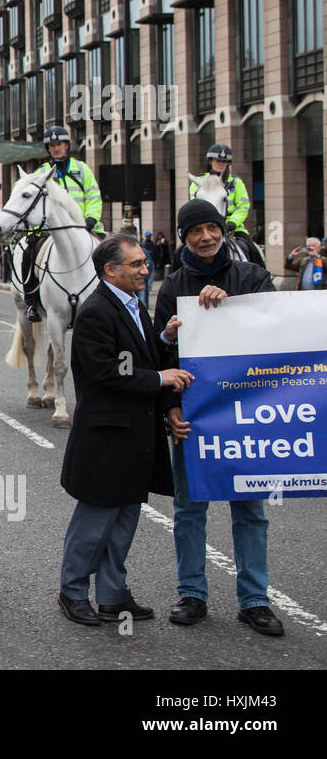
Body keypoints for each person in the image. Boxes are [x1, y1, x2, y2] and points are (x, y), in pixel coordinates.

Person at [153, 199, 284, 636]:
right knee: (190, 510)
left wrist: (232, 309)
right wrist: (170, 409)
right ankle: (192, 594)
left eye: (211, 228)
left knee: (251, 510)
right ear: (183, 237)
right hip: (196, 416)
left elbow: (277, 335)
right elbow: (159, 355)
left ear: (222, 231)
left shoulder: (253, 277)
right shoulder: (171, 286)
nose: (205, 237)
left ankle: (255, 600)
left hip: (247, 416)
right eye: (195, 231)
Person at [56, 233, 191, 626]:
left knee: (124, 520)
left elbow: (137, 354)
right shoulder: (96, 310)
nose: (146, 270)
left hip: (135, 434)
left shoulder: (132, 304)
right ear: (110, 270)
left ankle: (113, 595)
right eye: (136, 264)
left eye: (145, 263)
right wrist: (159, 379)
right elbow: (107, 371)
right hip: (106, 437)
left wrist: (163, 339)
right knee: (95, 520)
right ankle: (72, 591)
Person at [23, 126, 104, 321]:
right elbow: (35, 205)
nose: (56, 148)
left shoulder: (82, 168)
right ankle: (31, 303)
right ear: (48, 149)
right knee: (28, 252)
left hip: (86, 227)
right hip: (52, 231)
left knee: (112, 255)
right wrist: (35, 230)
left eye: (59, 144)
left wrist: (91, 219)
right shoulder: (41, 172)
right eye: (52, 145)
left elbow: (94, 195)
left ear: (67, 146)